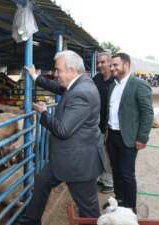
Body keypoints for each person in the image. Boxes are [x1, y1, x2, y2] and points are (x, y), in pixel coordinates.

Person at [16, 50, 105, 225]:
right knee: (42, 181)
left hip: (79, 163)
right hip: (66, 156)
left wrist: (43, 113)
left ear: (71, 70)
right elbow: (59, 88)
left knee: (88, 210)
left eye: (58, 70)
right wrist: (36, 77)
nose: (55, 75)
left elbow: (63, 130)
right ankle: (30, 220)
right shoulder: (79, 83)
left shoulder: (83, 92)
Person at [107, 53, 153, 213]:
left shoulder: (138, 84)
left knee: (127, 173)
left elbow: (147, 112)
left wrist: (142, 138)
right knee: (116, 170)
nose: (112, 68)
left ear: (126, 65)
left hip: (129, 137)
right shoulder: (113, 85)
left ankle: (130, 208)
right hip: (112, 135)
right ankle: (118, 201)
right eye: (111, 65)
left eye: (115, 65)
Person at [93, 51, 114, 194]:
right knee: (97, 152)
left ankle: (109, 182)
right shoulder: (96, 78)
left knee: (107, 153)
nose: (100, 65)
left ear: (110, 63)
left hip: (111, 124)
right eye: (98, 62)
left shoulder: (116, 81)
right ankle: (100, 178)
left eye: (103, 62)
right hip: (96, 123)